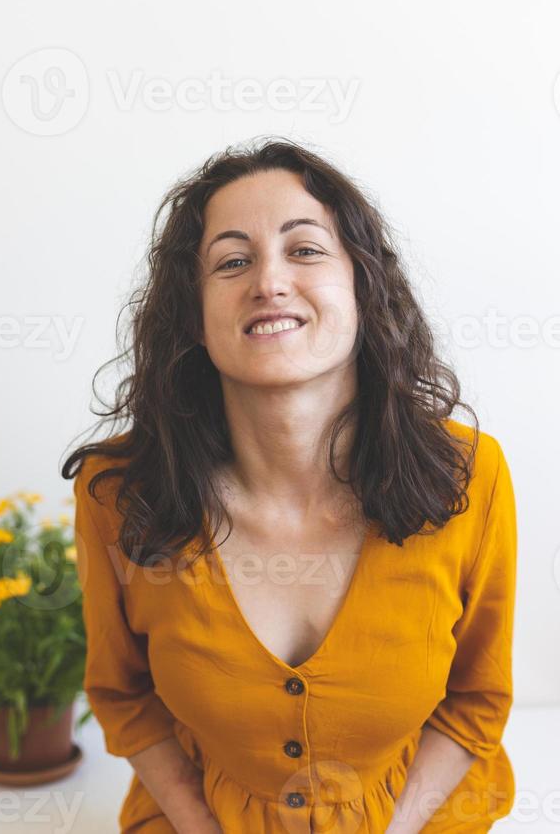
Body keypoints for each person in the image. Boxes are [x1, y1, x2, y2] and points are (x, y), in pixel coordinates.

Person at [61, 138, 517, 833]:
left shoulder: (470, 475)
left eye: (304, 250)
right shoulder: (119, 493)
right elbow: (123, 696)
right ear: (194, 315)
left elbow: (477, 700)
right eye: (233, 261)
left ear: (362, 284)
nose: (268, 282)